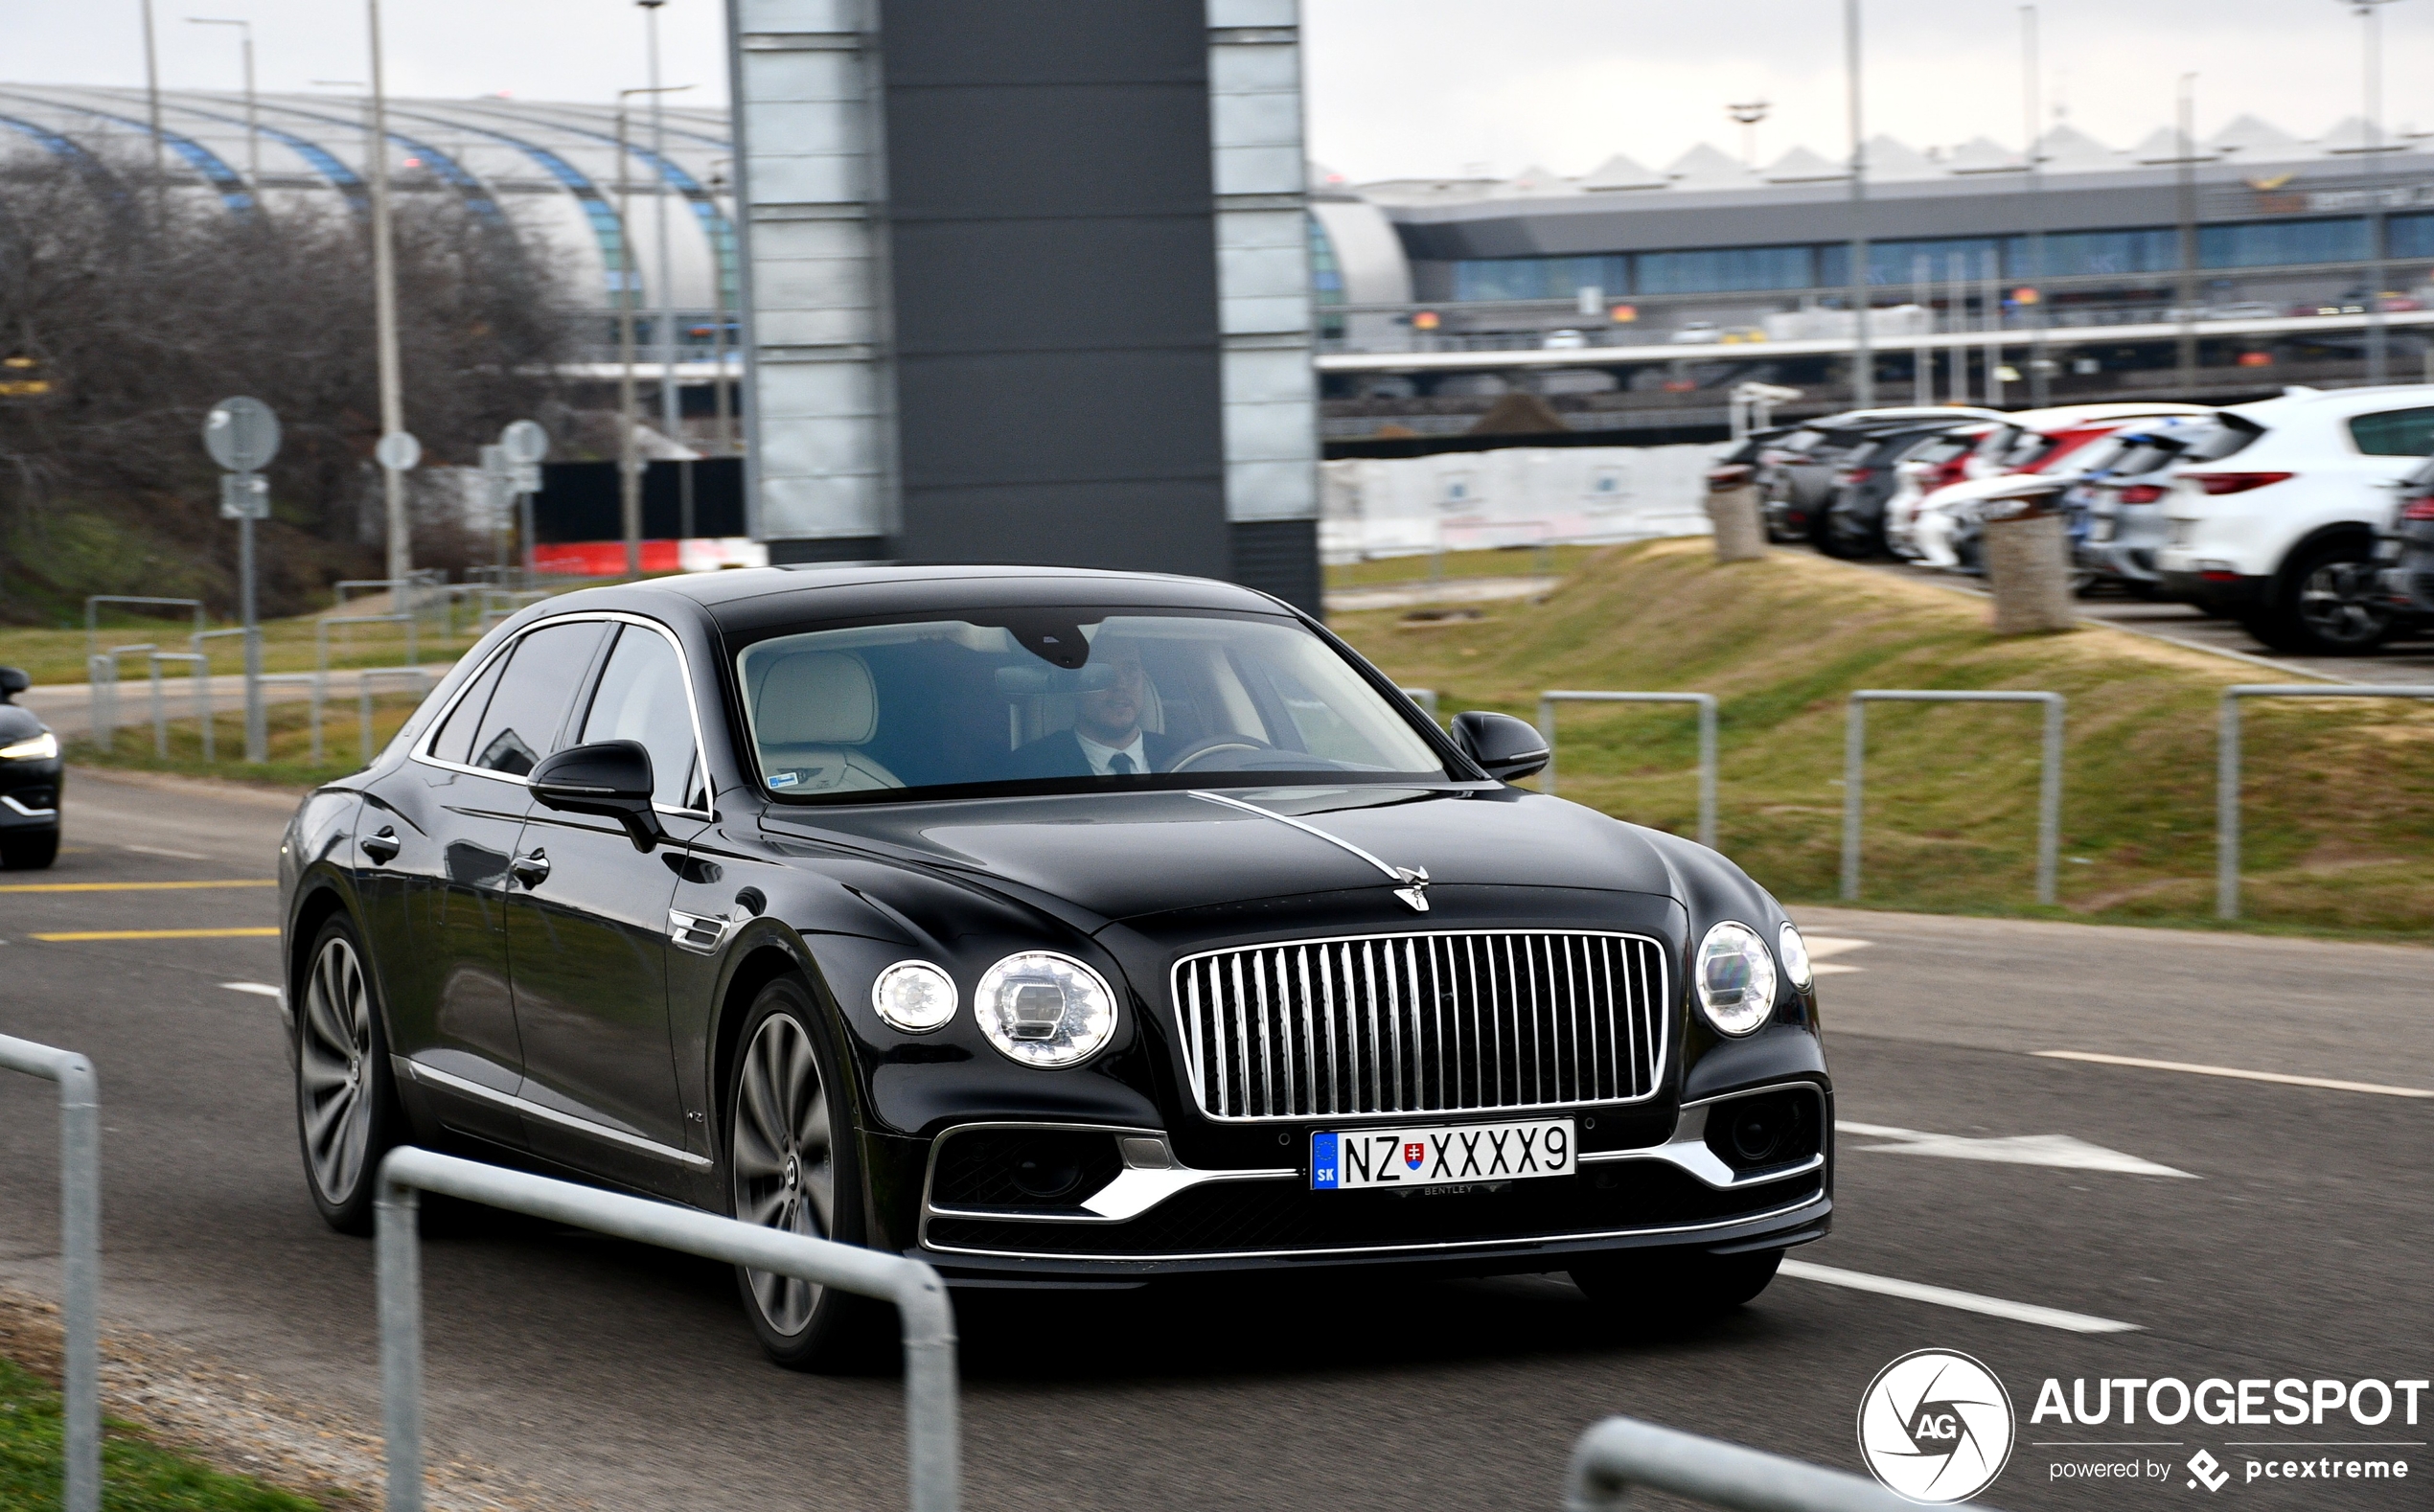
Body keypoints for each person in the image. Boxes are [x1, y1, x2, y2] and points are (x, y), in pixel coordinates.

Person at [1011, 647, 1180, 778]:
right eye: (1101, 672)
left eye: (1131, 670)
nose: (1120, 684)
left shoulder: (1186, 757)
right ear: (1074, 685)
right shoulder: (1027, 768)